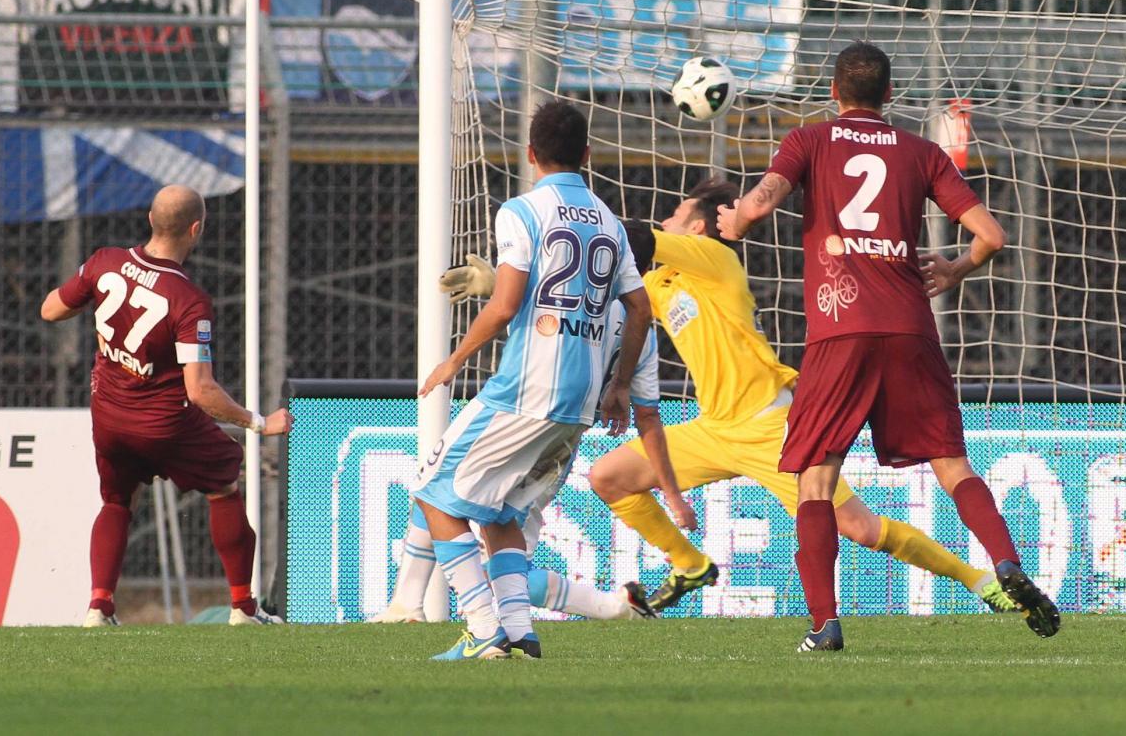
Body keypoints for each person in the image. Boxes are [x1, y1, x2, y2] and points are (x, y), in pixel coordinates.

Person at [717, 41, 1061, 652]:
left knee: (817, 480)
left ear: (832, 92)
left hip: (840, 331)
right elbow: (992, 235)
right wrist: (954, 269)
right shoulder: (921, 151)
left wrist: (735, 221)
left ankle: (824, 625)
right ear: (891, 96)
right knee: (952, 466)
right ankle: (1006, 563)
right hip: (908, 326)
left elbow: (760, 203)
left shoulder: (810, 141)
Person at [582, 177, 1015, 617]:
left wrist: (575, 216)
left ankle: (978, 580)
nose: (665, 218)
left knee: (861, 529)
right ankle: (691, 565)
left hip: (771, 426)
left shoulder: (716, 260)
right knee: (608, 477)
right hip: (713, 428)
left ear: (696, 229)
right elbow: (622, 298)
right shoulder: (662, 284)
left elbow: (634, 236)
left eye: (675, 214)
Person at [412, 100, 654, 660]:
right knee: (502, 515)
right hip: (580, 401)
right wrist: (619, 386)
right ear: (588, 155)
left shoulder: (520, 210)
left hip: (525, 390)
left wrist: (453, 361)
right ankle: (519, 631)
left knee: (433, 496)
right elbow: (639, 310)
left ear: (530, 154)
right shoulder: (612, 224)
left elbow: (504, 305)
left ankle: (479, 625)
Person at [374, 230, 691, 624]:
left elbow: (524, 309)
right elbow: (647, 416)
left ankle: (613, 608)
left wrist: (494, 287)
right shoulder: (641, 332)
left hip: (523, 417)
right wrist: (672, 493)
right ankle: (405, 606)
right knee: (435, 490)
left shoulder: (566, 297)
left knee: (491, 558)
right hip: (559, 443)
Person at [40, 185, 292, 627]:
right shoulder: (188, 300)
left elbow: (50, 310)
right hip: (165, 423)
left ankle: (99, 607)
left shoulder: (104, 262)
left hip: (110, 416)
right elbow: (201, 391)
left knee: (117, 501)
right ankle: (243, 610)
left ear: (151, 221)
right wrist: (258, 422)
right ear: (195, 229)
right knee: (224, 485)